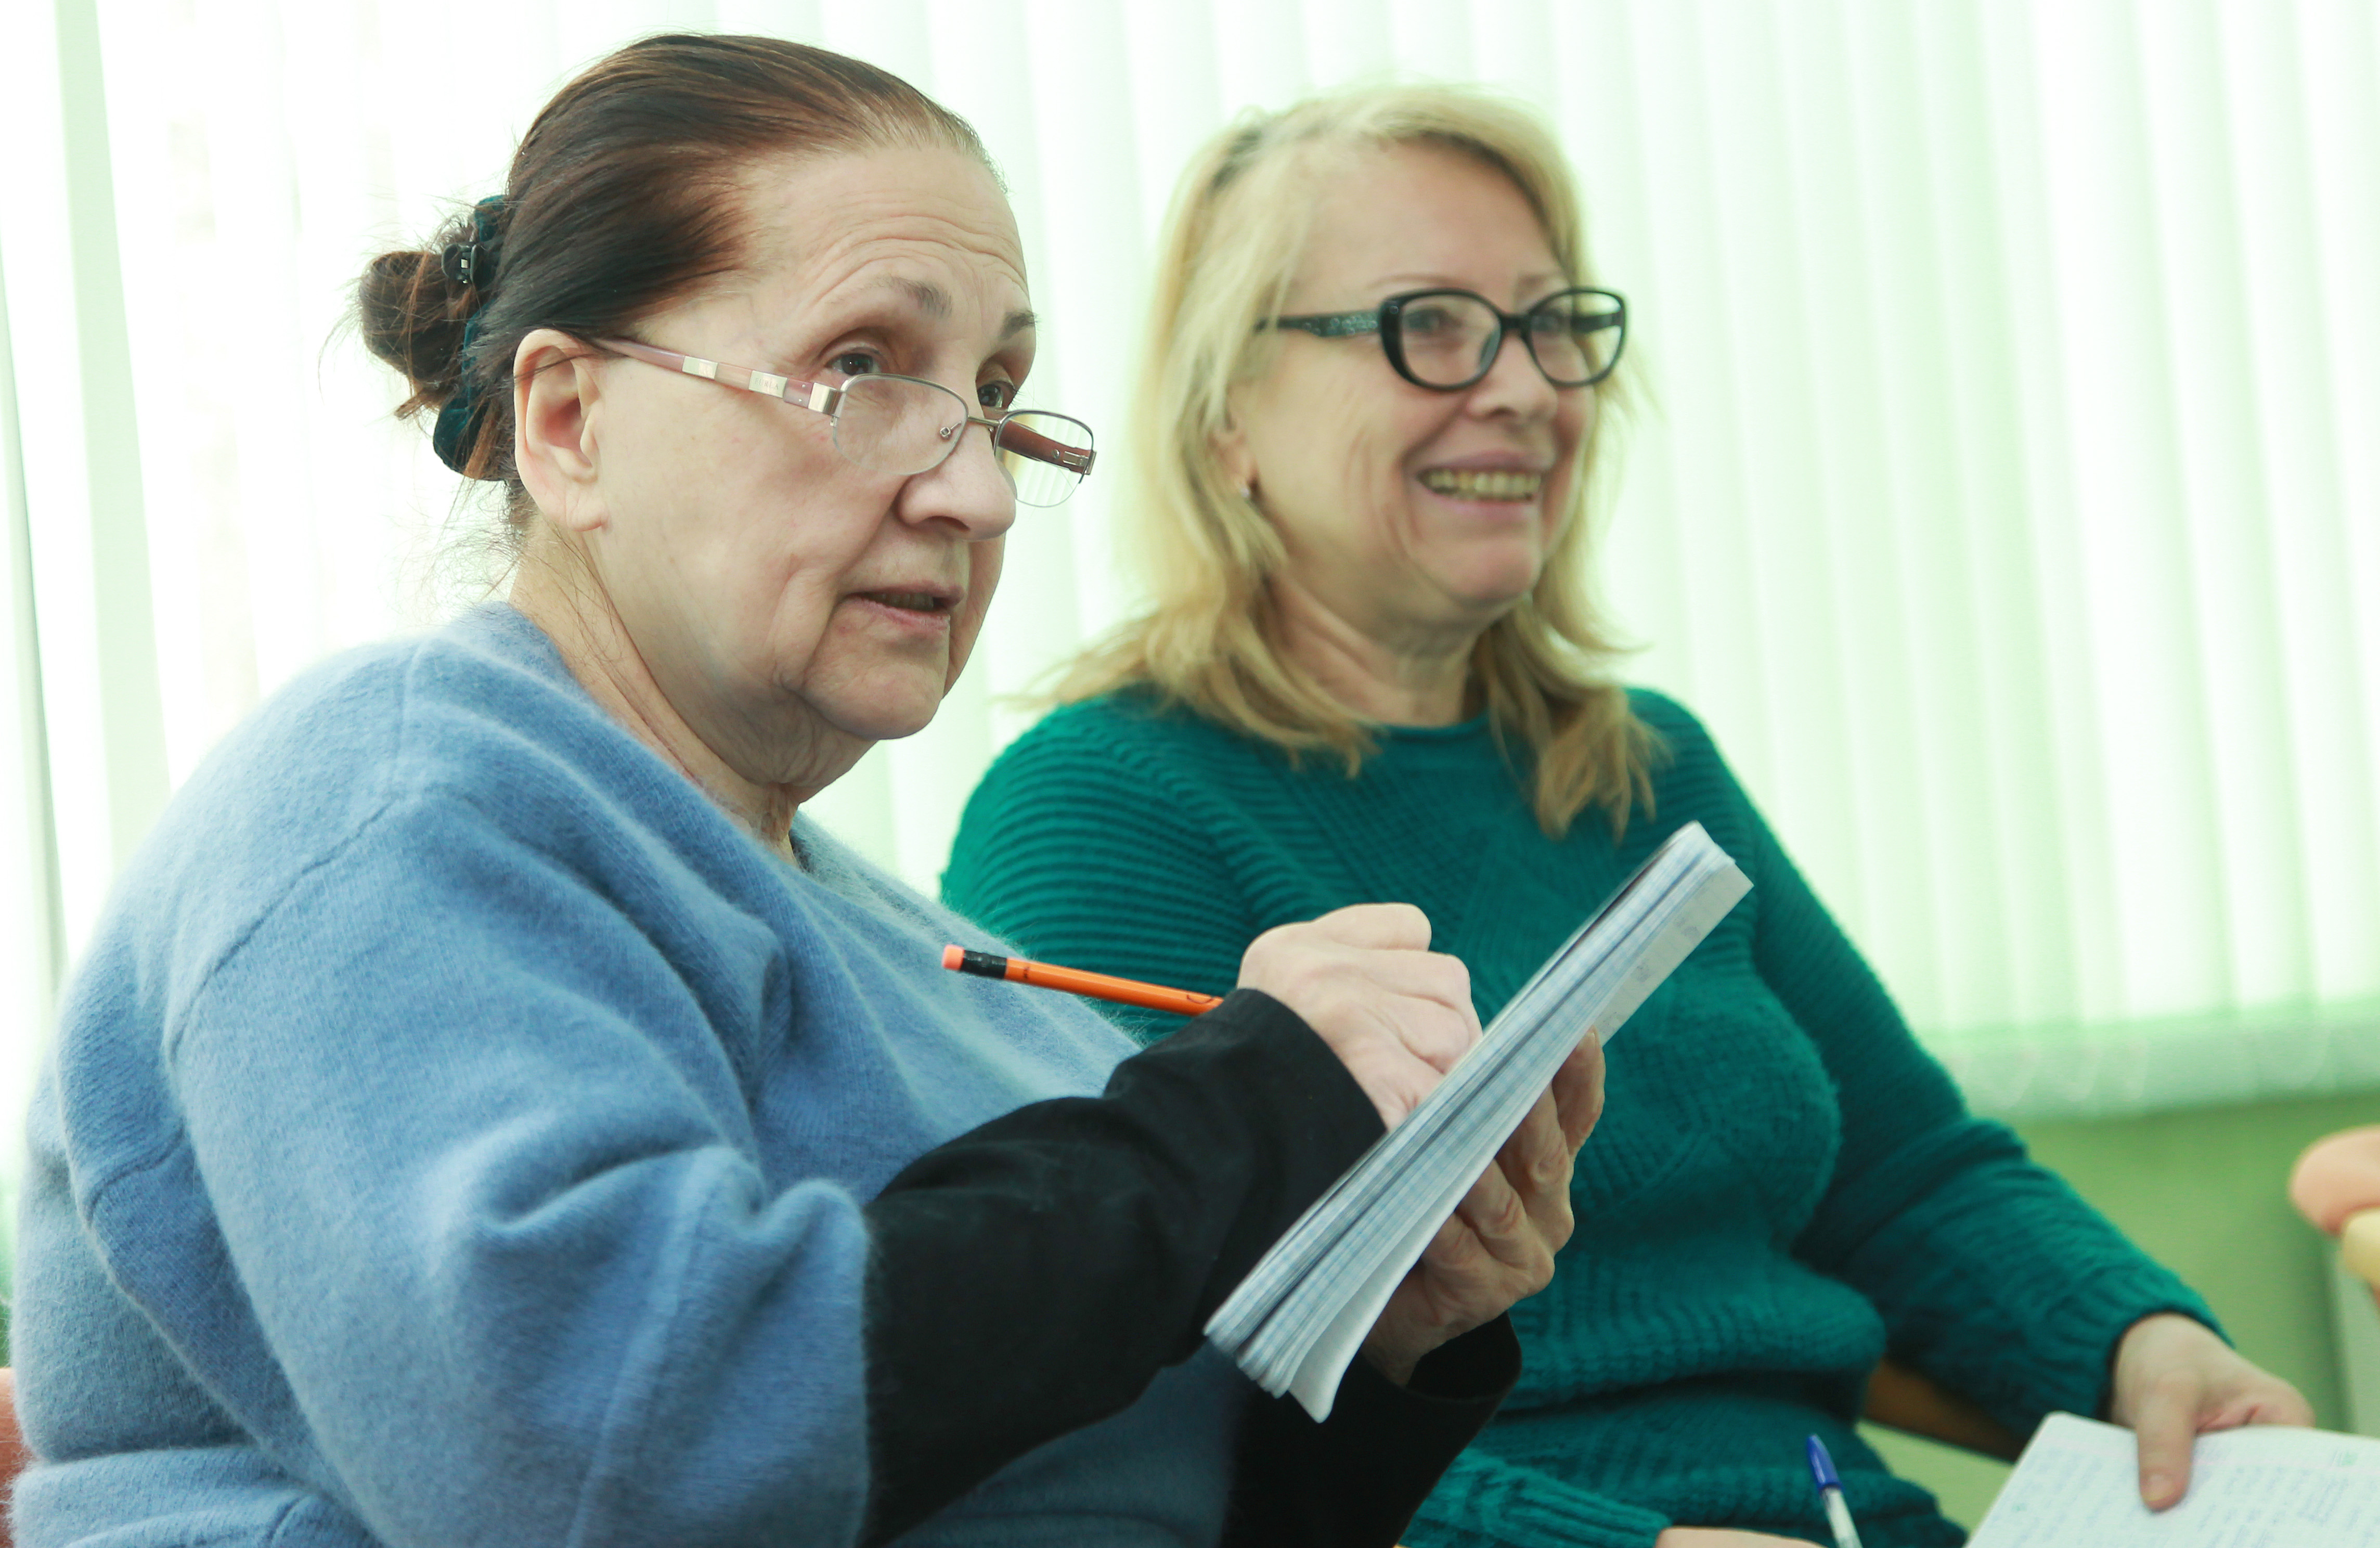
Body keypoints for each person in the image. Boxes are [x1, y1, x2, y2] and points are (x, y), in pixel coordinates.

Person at [7, 40, 1610, 1548]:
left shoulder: (936, 959)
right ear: (569, 427)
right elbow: (600, 1453)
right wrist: (1253, 1107)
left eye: (993, 392)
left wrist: (1384, 1341)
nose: (977, 487)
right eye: (861, 372)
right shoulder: (389, 799)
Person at [941, 84, 2312, 1548]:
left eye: (1550, 327)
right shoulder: (1105, 805)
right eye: (1432, 325)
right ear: (1228, 421)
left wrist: (2142, 1345)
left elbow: (1910, 1177)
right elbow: (1154, 1391)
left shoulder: (1649, 770)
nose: (1526, 388)